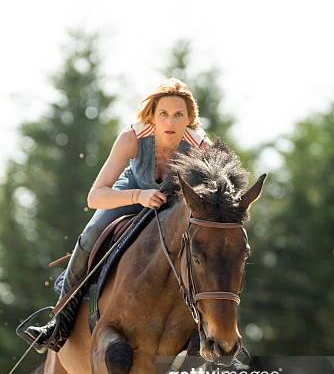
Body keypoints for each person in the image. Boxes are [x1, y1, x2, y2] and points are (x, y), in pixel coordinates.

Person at [18, 78, 211, 354]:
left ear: (189, 119)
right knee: (91, 233)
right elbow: (94, 196)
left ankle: (217, 336)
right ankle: (58, 322)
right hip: (131, 193)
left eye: (178, 115)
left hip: (173, 206)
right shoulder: (131, 138)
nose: (170, 122)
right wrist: (138, 196)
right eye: (163, 114)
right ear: (152, 116)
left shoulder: (202, 148)